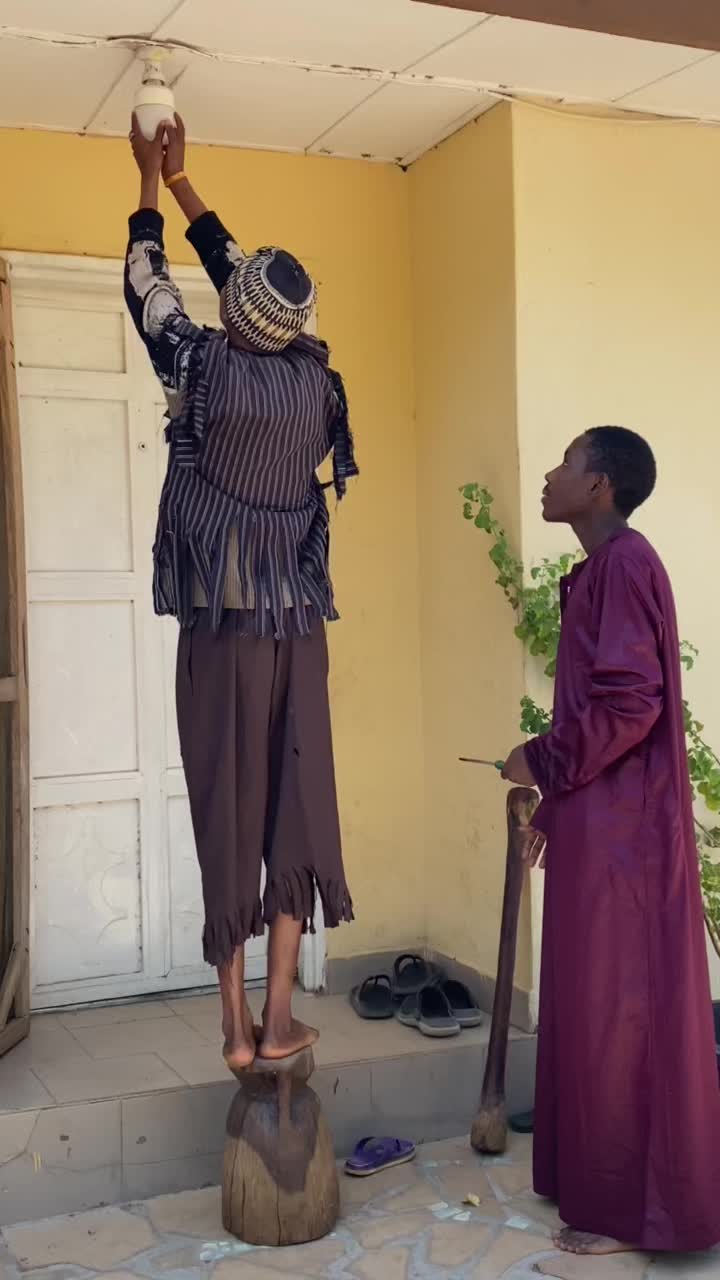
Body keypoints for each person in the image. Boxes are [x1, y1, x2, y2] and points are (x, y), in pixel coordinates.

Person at [124, 116, 357, 1072]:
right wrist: (189, 186)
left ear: (234, 316)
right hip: (297, 624)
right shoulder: (315, 377)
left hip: (223, 626)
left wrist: (151, 185)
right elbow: (249, 292)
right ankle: (279, 1013)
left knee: (227, 801)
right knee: (296, 802)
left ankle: (231, 1025)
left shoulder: (200, 363)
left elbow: (147, 285)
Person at [502, 426, 720, 1257]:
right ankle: (596, 1188)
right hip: (603, 829)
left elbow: (631, 706)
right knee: (591, 1008)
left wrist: (539, 759)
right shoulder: (601, 569)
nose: (550, 475)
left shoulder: (625, 565)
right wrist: (556, 810)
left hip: (629, 846)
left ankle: (636, 1212)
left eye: (566, 463)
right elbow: (603, 712)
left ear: (600, 487)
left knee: (620, 1016)